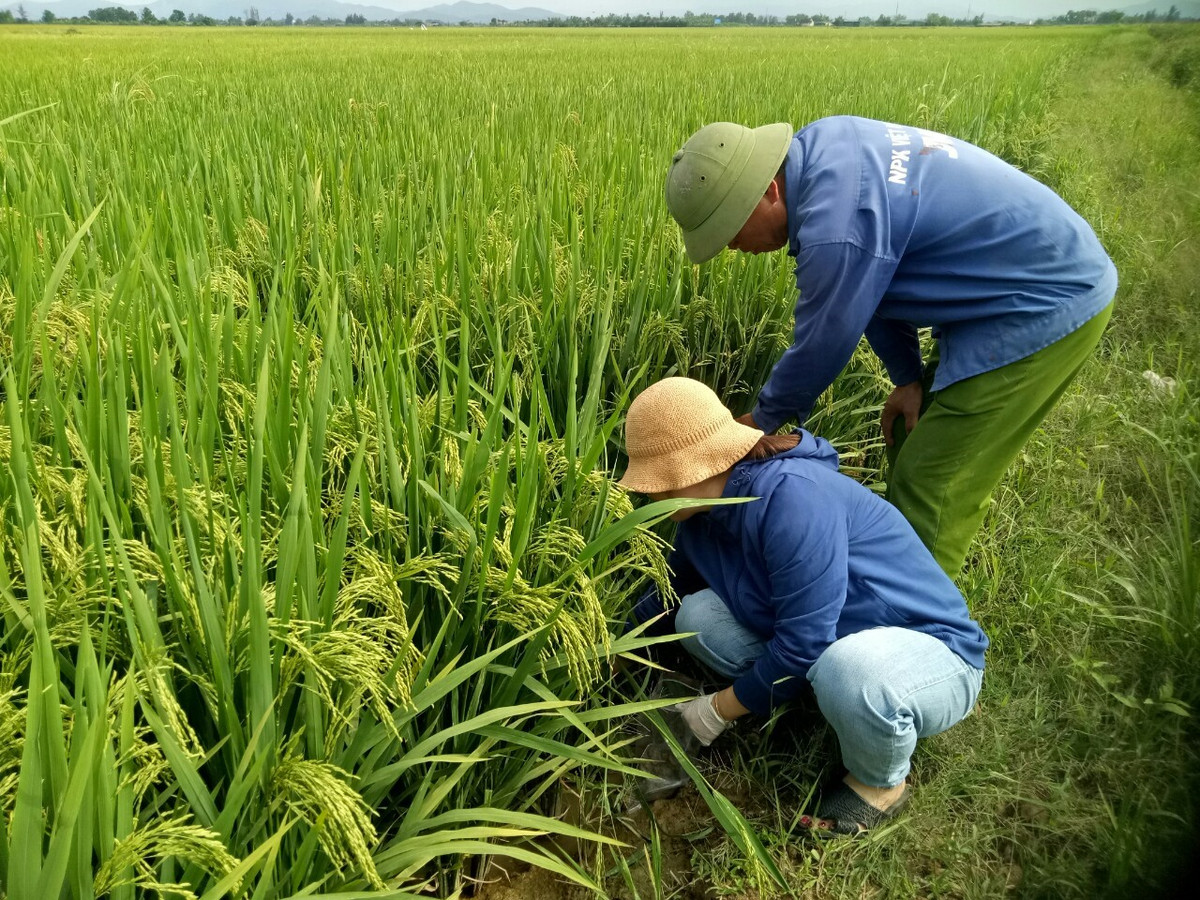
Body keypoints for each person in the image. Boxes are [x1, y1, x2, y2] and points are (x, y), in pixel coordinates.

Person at [664, 116, 1117, 577]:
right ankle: (890, 571)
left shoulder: (834, 226)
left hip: (1044, 297)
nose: (733, 247)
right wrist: (907, 378)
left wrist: (756, 423)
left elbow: (823, 342)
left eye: (731, 230)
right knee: (909, 432)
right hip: (999, 287)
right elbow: (873, 282)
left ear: (769, 192)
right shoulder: (823, 147)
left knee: (931, 481)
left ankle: (918, 612)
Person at [620, 376, 988, 835]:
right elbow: (667, 594)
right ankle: (821, 698)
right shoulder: (701, 518)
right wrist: (611, 653)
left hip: (930, 652)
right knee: (696, 617)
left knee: (848, 670)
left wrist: (712, 712)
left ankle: (881, 783)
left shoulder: (794, 499)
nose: (644, 491)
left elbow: (802, 645)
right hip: (831, 644)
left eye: (651, 479)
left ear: (683, 472)